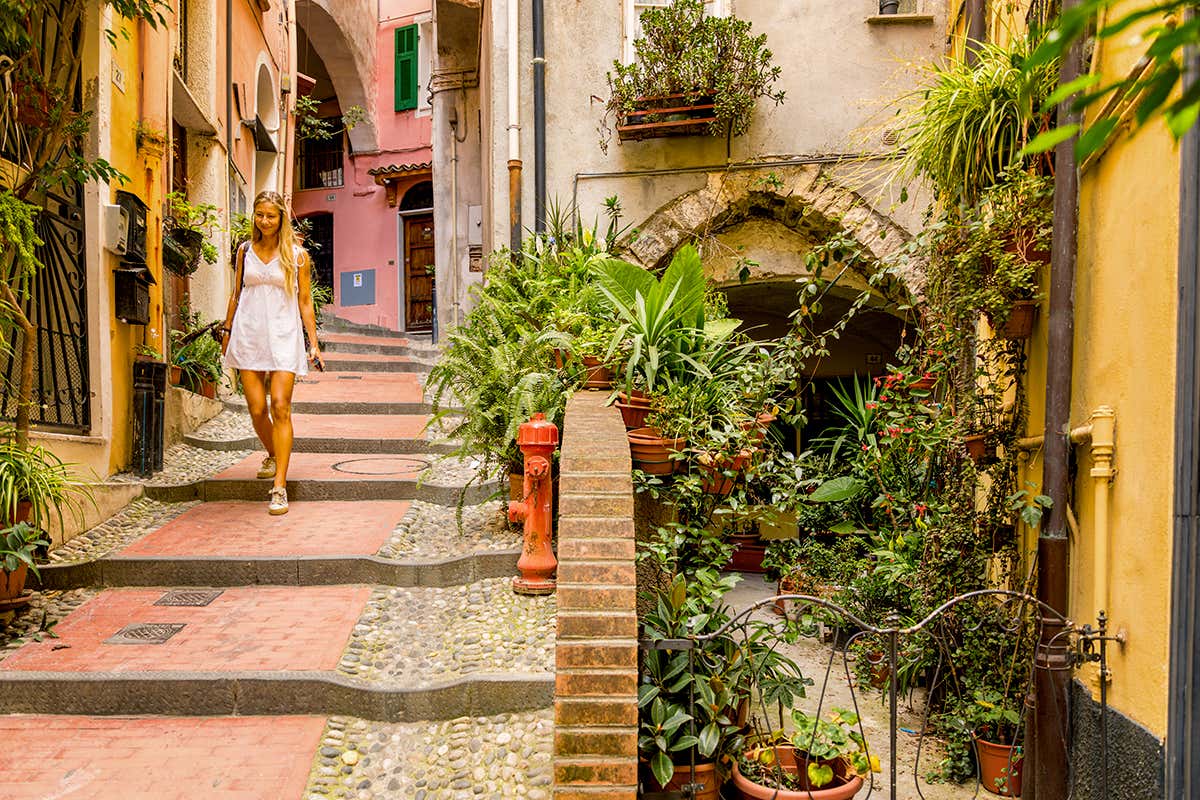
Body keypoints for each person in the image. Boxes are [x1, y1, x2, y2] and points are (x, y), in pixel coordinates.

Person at [220, 191, 323, 515]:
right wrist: (226, 330)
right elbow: (236, 294)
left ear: (281, 219)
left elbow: (305, 302)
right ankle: (274, 452)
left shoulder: (297, 256)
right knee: (254, 408)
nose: (264, 221)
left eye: (271, 216)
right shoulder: (244, 251)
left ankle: (279, 486)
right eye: (259, 215)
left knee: (280, 405)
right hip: (249, 335)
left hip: (282, 336)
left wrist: (314, 343)